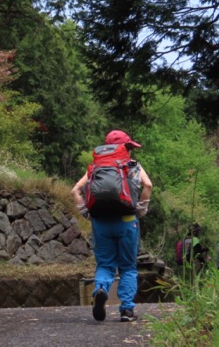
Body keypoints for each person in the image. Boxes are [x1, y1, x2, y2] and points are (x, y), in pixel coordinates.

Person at [71, 129, 152, 323]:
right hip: (126, 221)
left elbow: (75, 190)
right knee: (128, 267)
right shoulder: (133, 165)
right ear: (125, 148)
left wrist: (85, 212)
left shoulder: (95, 167)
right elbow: (148, 185)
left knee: (105, 265)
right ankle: (126, 310)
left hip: (101, 222)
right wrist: (140, 209)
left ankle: (100, 289)